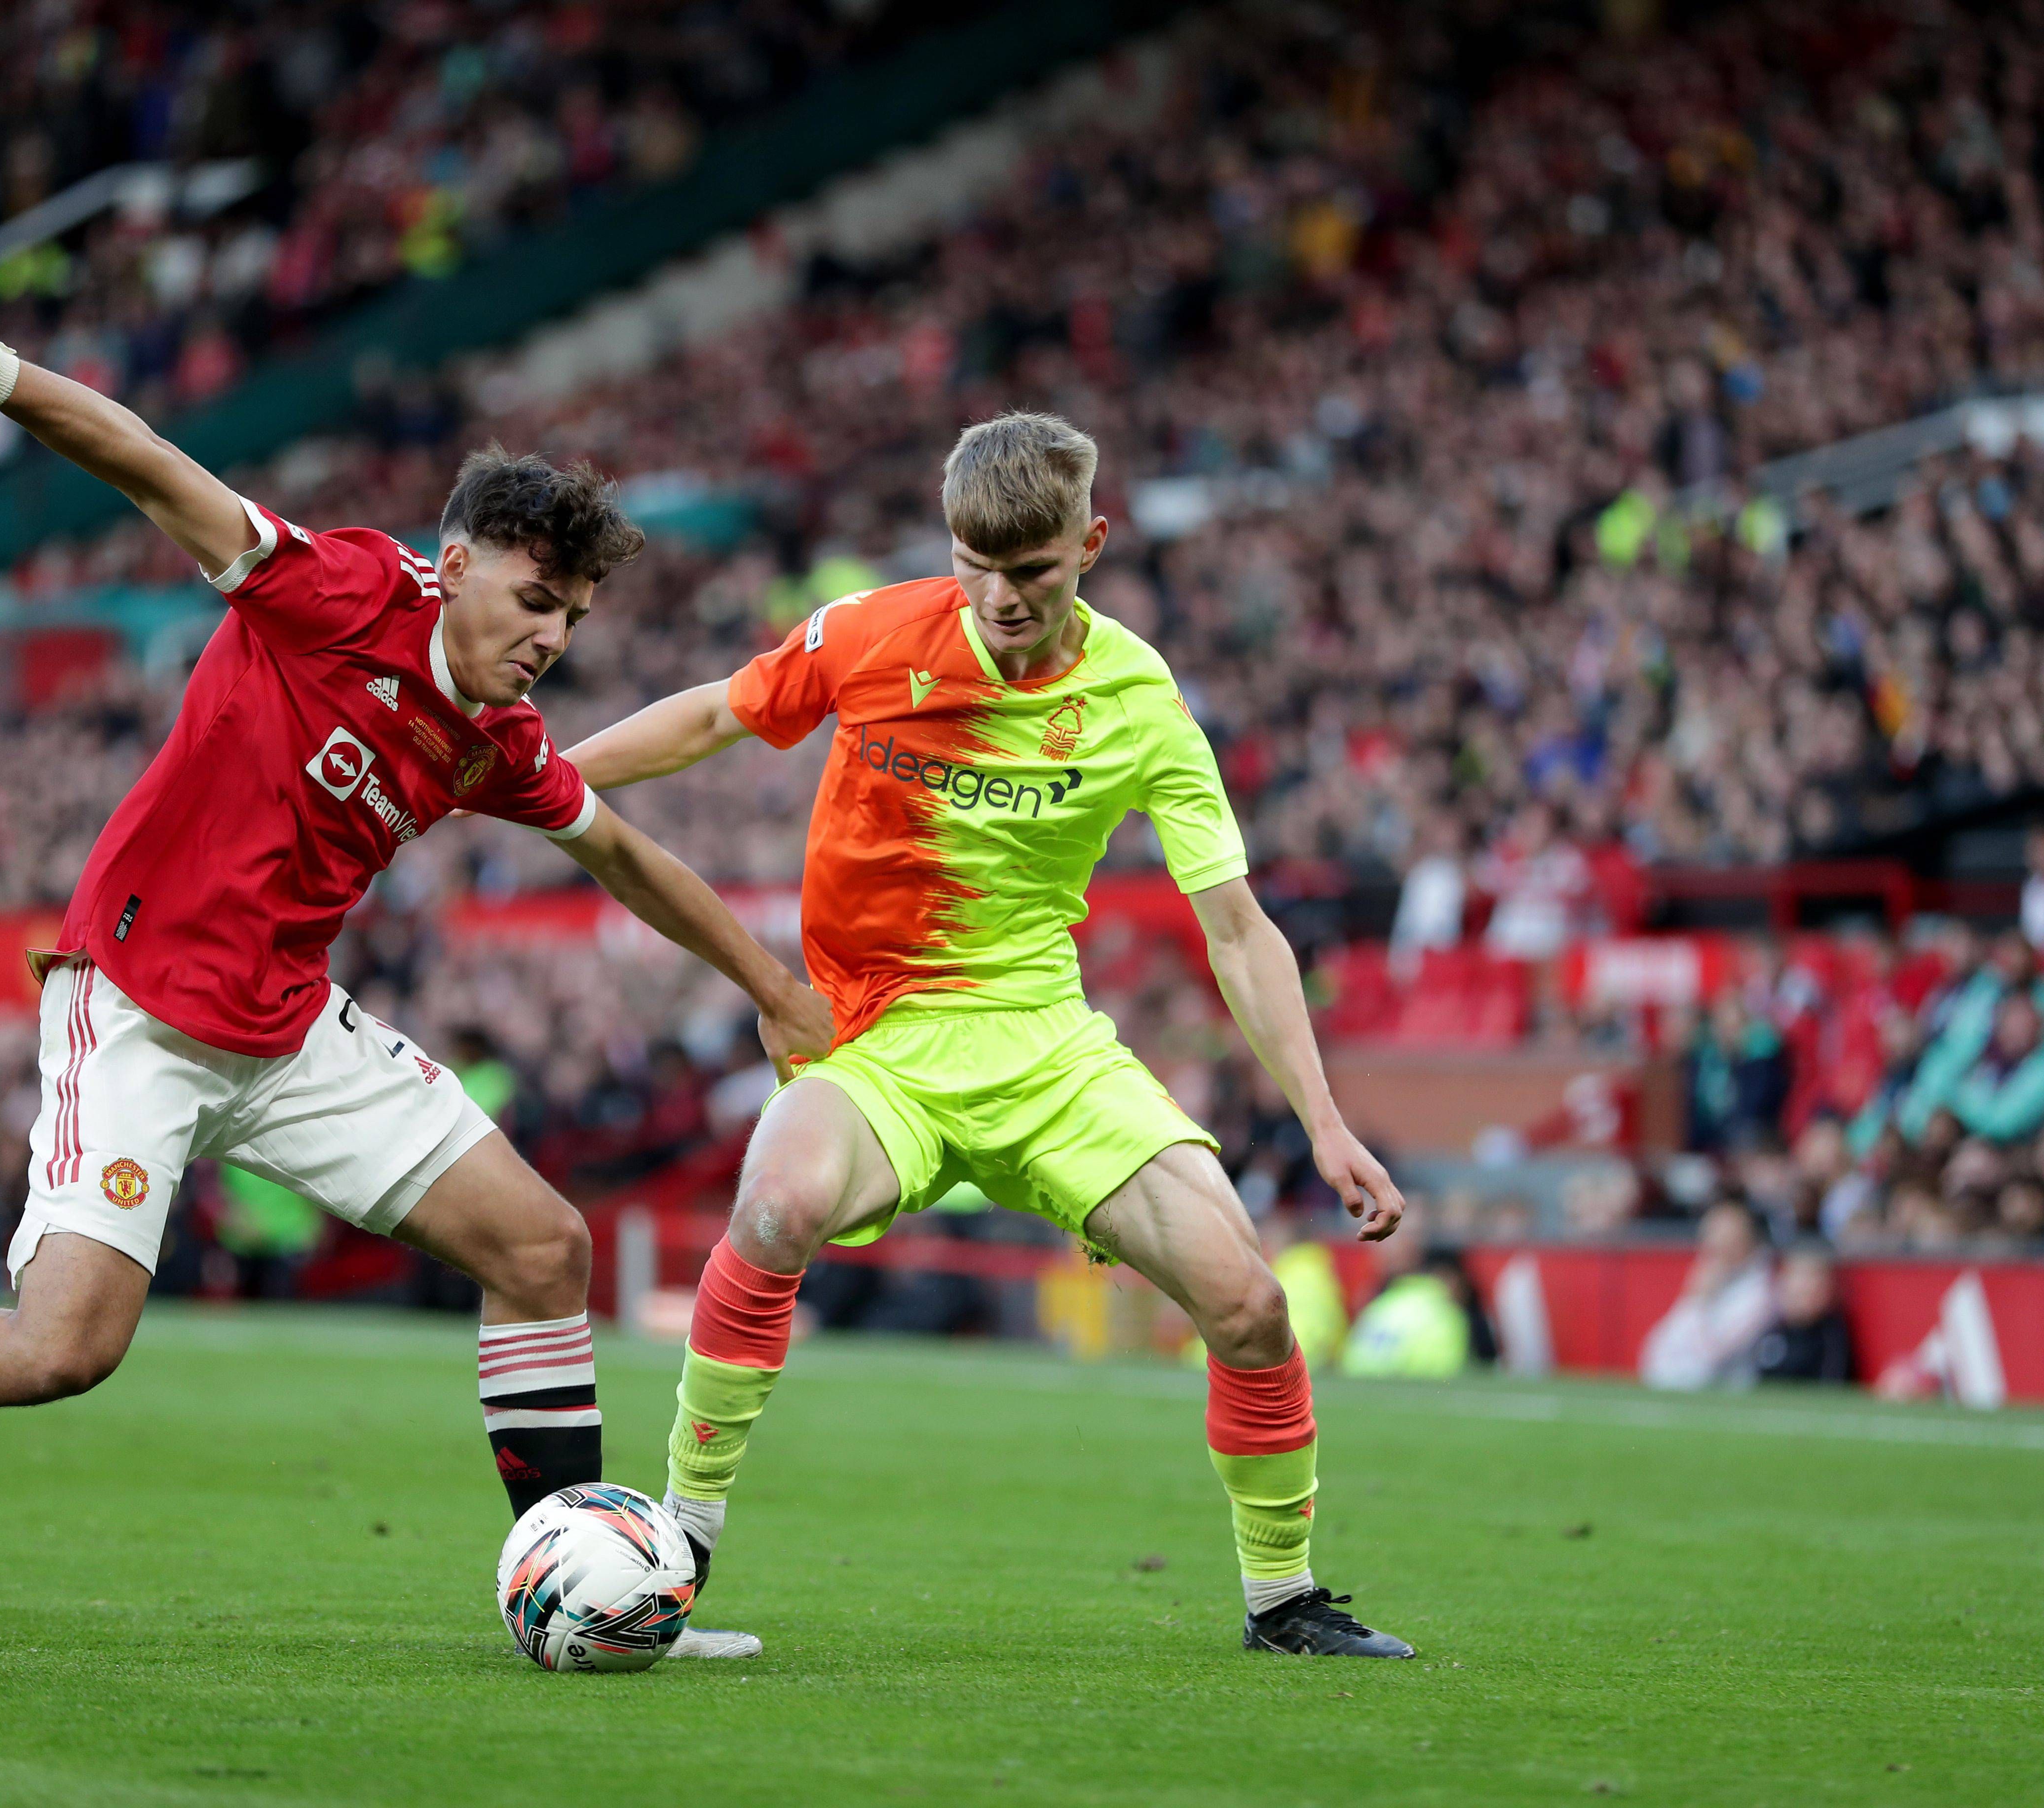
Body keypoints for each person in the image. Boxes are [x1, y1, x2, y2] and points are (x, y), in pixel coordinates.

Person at [0, 305, 835, 1667]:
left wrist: (771, 986)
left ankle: (594, 1587)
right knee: (62, 1353)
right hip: (136, 1007)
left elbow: (624, 855)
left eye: (572, 619)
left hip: (286, 1029)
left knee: (543, 1251)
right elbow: (149, 462)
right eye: (536, 603)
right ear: (457, 565)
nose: (552, 639)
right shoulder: (342, 592)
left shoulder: (498, 740)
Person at [565, 412, 1413, 1658]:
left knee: (1248, 1303)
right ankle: (678, 1546)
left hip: (1045, 1049)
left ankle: (1280, 1601)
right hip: (877, 1044)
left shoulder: (1138, 697)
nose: (1001, 597)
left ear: (1092, 544)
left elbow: (1237, 931)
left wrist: (1324, 1125)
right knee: (773, 1208)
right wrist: (537, 772)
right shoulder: (868, 634)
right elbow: (708, 720)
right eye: (975, 565)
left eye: (1032, 569)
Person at [1639, 1201, 1776, 1390]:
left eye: (1725, 1238)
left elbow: (1712, 1356)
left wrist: (1701, 1300)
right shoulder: (1709, 1278)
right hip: (1673, 1382)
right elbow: (1663, 1342)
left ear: (1745, 1241)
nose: (1713, 1246)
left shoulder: (1760, 1294)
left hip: (1726, 1391)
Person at [1748, 1245, 1855, 1384]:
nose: (1808, 1285)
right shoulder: (1770, 1325)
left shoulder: (1831, 1335)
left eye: (1815, 1277)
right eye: (1800, 1276)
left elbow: (1832, 1383)